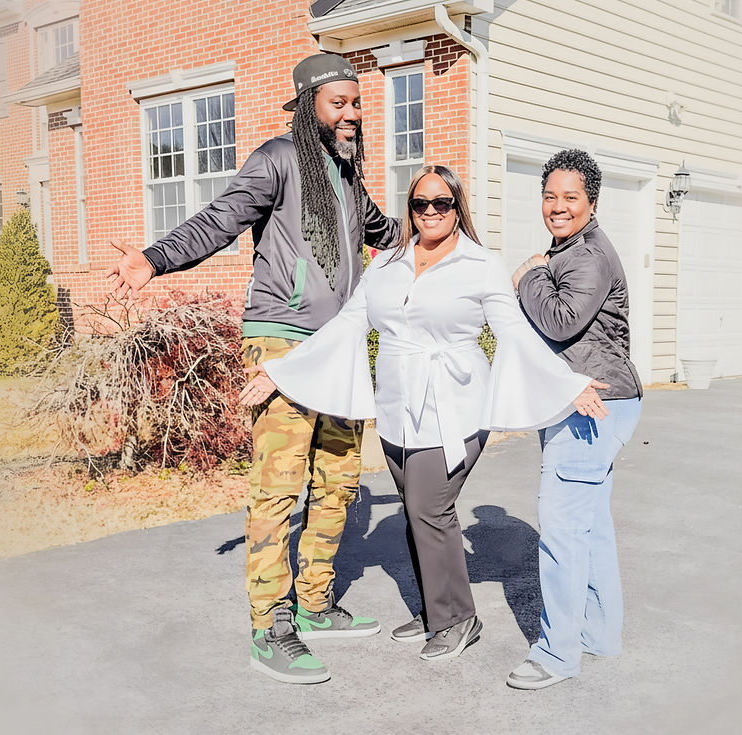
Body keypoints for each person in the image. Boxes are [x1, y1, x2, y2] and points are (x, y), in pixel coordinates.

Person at [105, 53, 401, 685]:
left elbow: (384, 231)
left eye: (356, 102)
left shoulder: (350, 176)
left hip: (339, 349)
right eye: (338, 103)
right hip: (282, 341)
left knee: (339, 483)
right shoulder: (278, 159)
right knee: (278, 486)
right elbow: (222, 219)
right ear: (308, 106)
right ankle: (270, 626)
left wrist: (440, 231)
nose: (352, 112)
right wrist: (155, 259)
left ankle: (315, 604)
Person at [241, 165, 609, 663]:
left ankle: (457, 617)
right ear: (409, 210)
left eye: (442, 203)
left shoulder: (480, 264)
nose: (431, 212)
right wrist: (282, 371)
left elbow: (515, 333)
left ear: (458, 207)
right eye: (420, 204)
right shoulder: (386, 265)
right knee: (417, 515)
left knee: (429, 509)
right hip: (398, 411)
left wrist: (567, 384)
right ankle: (437, 610)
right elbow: (347, 326)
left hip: (457, 408)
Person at [505, 149, 643, 690]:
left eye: (570, 198)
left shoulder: (583, 256)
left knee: (562, 532)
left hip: (593, 403)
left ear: (591, 202)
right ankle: (600, 634)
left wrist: (527, 276)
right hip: (599, 399)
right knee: (591, 529)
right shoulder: (573, 249)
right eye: (549, 196)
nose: (557, 207)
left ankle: (557, 654)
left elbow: (561, 322)